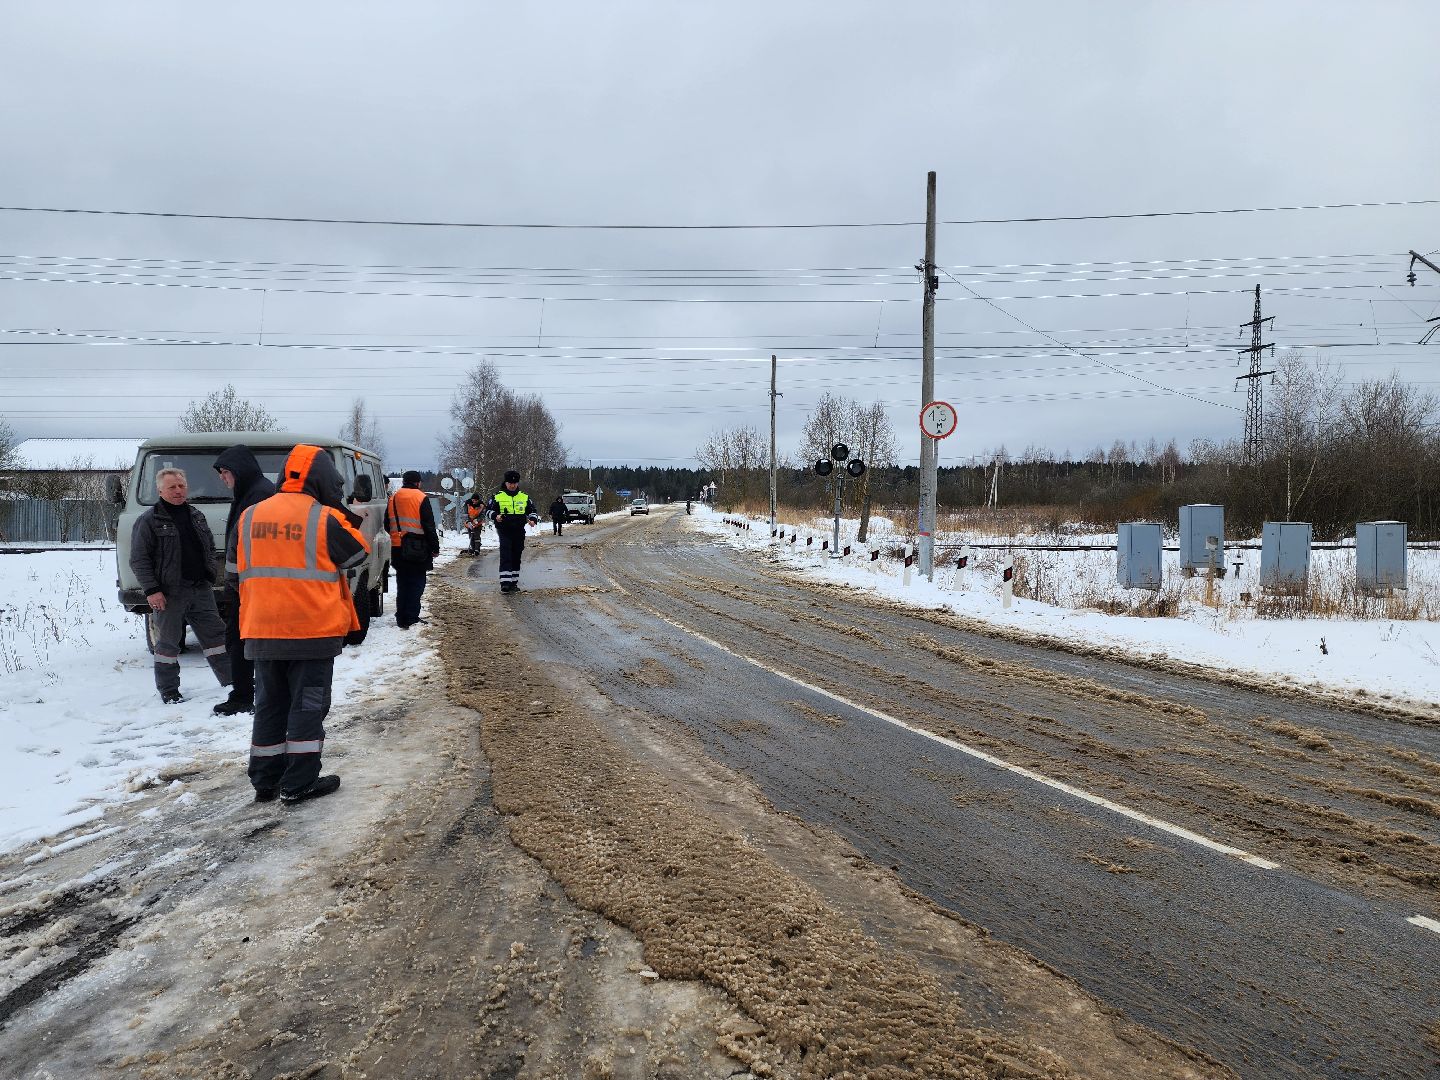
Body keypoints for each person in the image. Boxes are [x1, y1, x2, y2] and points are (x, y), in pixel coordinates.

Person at [228, 444, 369, 805]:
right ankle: (299, 783)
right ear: (323, 479)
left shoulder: (249, 516)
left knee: (269, 704)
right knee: (307, 706)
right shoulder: (323, 518)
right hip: (311, 631)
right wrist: (342, 512)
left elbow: (231, 573)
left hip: (261, 630)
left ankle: (265, 781)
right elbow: (356, 555)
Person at [130, 468, 232, 704]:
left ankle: (231, 681)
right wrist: (152, 590)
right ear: (160, 491)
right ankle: (169, 691)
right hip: (169, 593)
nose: (178, 491)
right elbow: (139, 559)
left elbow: (209, 548)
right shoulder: (148, 521)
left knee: (217, 638)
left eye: (181, 486)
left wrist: (209, 574)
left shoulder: (196, 515)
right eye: (172, 487)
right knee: (168, 644)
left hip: (200, 589)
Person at [211, 445, 276, 716]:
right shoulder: (250, 492)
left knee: (240, 640)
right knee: (239, 639)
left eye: (225, 472)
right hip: (249, 584)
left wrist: (237, 583)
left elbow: (254, 545)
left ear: (239, 470)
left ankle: (243, 696)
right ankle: (247, 692)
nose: (222, 478)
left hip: (253, 586)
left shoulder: (259, 495)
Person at [386, 470, 441, 628]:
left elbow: (387, 523)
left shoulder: (393, 498)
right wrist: (435, 547)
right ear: (417, 482)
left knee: (403, 583)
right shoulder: (421, 497)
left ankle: (401, 616)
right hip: (417, 548)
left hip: (397, 547)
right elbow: (429, 526)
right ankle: (411, 616)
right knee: (417, 583)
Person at [487, 469, 539, 593]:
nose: (512, 485)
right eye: (510, 483)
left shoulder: (524, 497)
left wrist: (532, 519)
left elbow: (533, 511)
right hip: (504, 530)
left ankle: (514, 582)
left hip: (519, 530)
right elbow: (488, 511)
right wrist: (496, 516)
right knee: (506, 555)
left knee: (516, 555)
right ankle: (505, 583)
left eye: (514, 483)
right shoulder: (497, 496)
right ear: (505, 483)